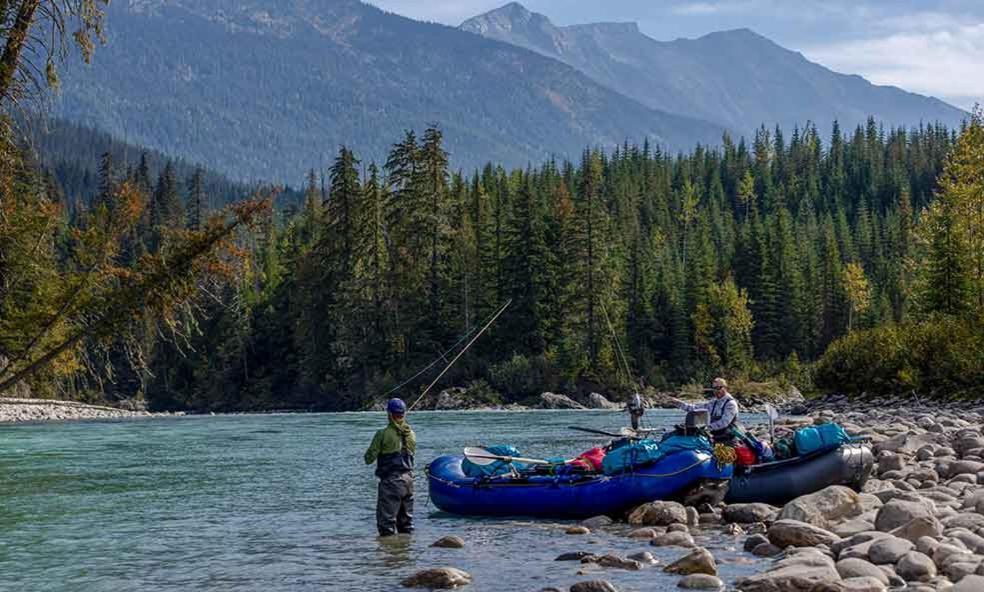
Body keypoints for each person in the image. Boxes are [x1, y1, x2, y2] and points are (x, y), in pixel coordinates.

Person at [365, 398, 416, 537]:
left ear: (389, 414)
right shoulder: (411, 434)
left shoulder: (382, 434)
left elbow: (368, 459)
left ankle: (389, 555)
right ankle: (407, 553)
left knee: (386, 525)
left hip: (391, 483)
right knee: (406, 525)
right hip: (409, 481)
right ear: (403, 414)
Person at [669, 378, 740, 442]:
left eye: (719, 388)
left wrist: (706, 428)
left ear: (725, 388)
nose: (716, 391)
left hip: (727, 439)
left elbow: (724, 423)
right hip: (714, 436)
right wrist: (678, 403)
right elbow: (695, 409)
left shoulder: (731, 404)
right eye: (714, 388)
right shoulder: (713, 403)